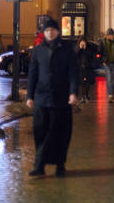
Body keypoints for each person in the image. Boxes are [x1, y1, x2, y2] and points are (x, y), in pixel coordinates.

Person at [26, 18, 79, 177]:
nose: (50, 33)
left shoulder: (67, 49)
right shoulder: (37, 50)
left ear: (58, 32)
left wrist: (73, 92)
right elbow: (32, 74)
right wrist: (29, 95)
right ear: (44, 32)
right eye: (47, 30)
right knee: (40, 132)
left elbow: (73, 73)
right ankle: (40, 165)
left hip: (61, 98)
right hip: (42, 98)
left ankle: (59, 165)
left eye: (53, 30)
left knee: (60, 133)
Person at [99, 29, 114, 102]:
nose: (112, 36)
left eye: (112, 35)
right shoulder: (102, 42)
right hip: (106, 63)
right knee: (109, 79)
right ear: (107, 35)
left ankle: (112, 89)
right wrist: (102, 61)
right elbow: (99, 53)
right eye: (110, 35)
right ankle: (110, 95)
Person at [76, 37, 95, 103]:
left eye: (84, 41)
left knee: (88, 82)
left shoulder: (89, 48)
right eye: (81, 41)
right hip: (80, 67)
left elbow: (91, 56)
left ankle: (86, 94)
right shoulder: (77, 48)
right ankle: (82, 96)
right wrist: (80, 49)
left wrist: (85, 49)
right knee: (82, 83)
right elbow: (76, 56)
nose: (83, 43)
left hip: (88, 67)